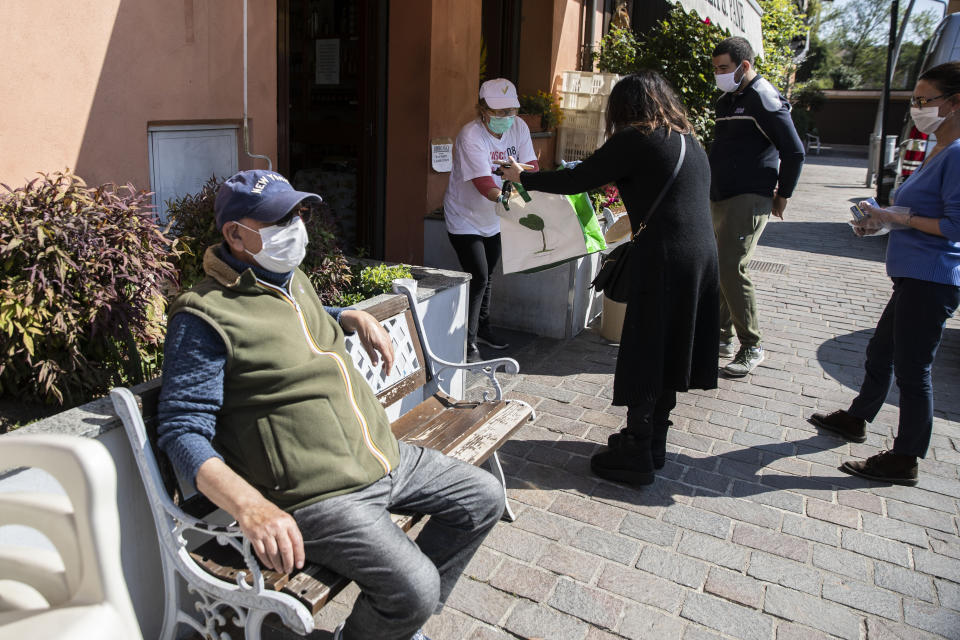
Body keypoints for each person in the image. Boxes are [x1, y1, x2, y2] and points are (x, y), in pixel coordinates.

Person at [157, 170, 504, 640]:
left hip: (383, 458)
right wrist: (250, 506)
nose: (295, 227)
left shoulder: (289, 279)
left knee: (483, 498)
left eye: (297, 213)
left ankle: (396, 627)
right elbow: (182, 430)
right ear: (235, 234)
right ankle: (391, 622)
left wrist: (350, 315)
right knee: (414, 588)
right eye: (278, 220)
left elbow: (297, 322)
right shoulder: (204, 316)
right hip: (317, 496)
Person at [502, 71, 719, 486]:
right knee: (670, 347)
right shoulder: (688, 139)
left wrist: (521, 176)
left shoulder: (637, 138)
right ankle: (655, 441)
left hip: (665, 258)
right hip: (700, 257)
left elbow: (576, 180)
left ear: (625, 108)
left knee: (645, 346)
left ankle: (637, 452)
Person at [810, 61, 960, 486]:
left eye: (923, 100)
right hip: (914, 275)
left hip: (933, 278)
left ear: (954, 103)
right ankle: (858, 418)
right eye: (914, 100)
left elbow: (954, 226)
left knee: (914, 370)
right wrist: (881, 220)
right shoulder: (939, 148)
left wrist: (899, 217)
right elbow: (918, 213)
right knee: (881, 351)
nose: (916, 108)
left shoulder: (957, 152)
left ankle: (905, 457)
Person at [709, 36, 805, 377]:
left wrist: (784, 193)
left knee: (732, 266)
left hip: (750, 195)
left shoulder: (764, 98)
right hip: (720, 194)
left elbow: (794, 151)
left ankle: (753, 345)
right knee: (720, 266)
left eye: (724, 68)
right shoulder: (726, 100)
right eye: (716, 68)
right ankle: (721, 337)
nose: (718, 74)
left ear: (744, 66)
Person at [443, 78, 539, 362]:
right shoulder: (470, 135)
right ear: (482, 109)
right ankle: (467, 343)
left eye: (511, 111)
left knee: (489, 275)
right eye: (498, 112)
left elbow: (532, 166)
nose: (506, 117)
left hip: (496, 217)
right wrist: (509, 197)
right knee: (479, 276)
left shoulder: (519, 128)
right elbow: (484, 183)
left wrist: (519, 188)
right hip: (465, 216)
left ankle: (483, 327)